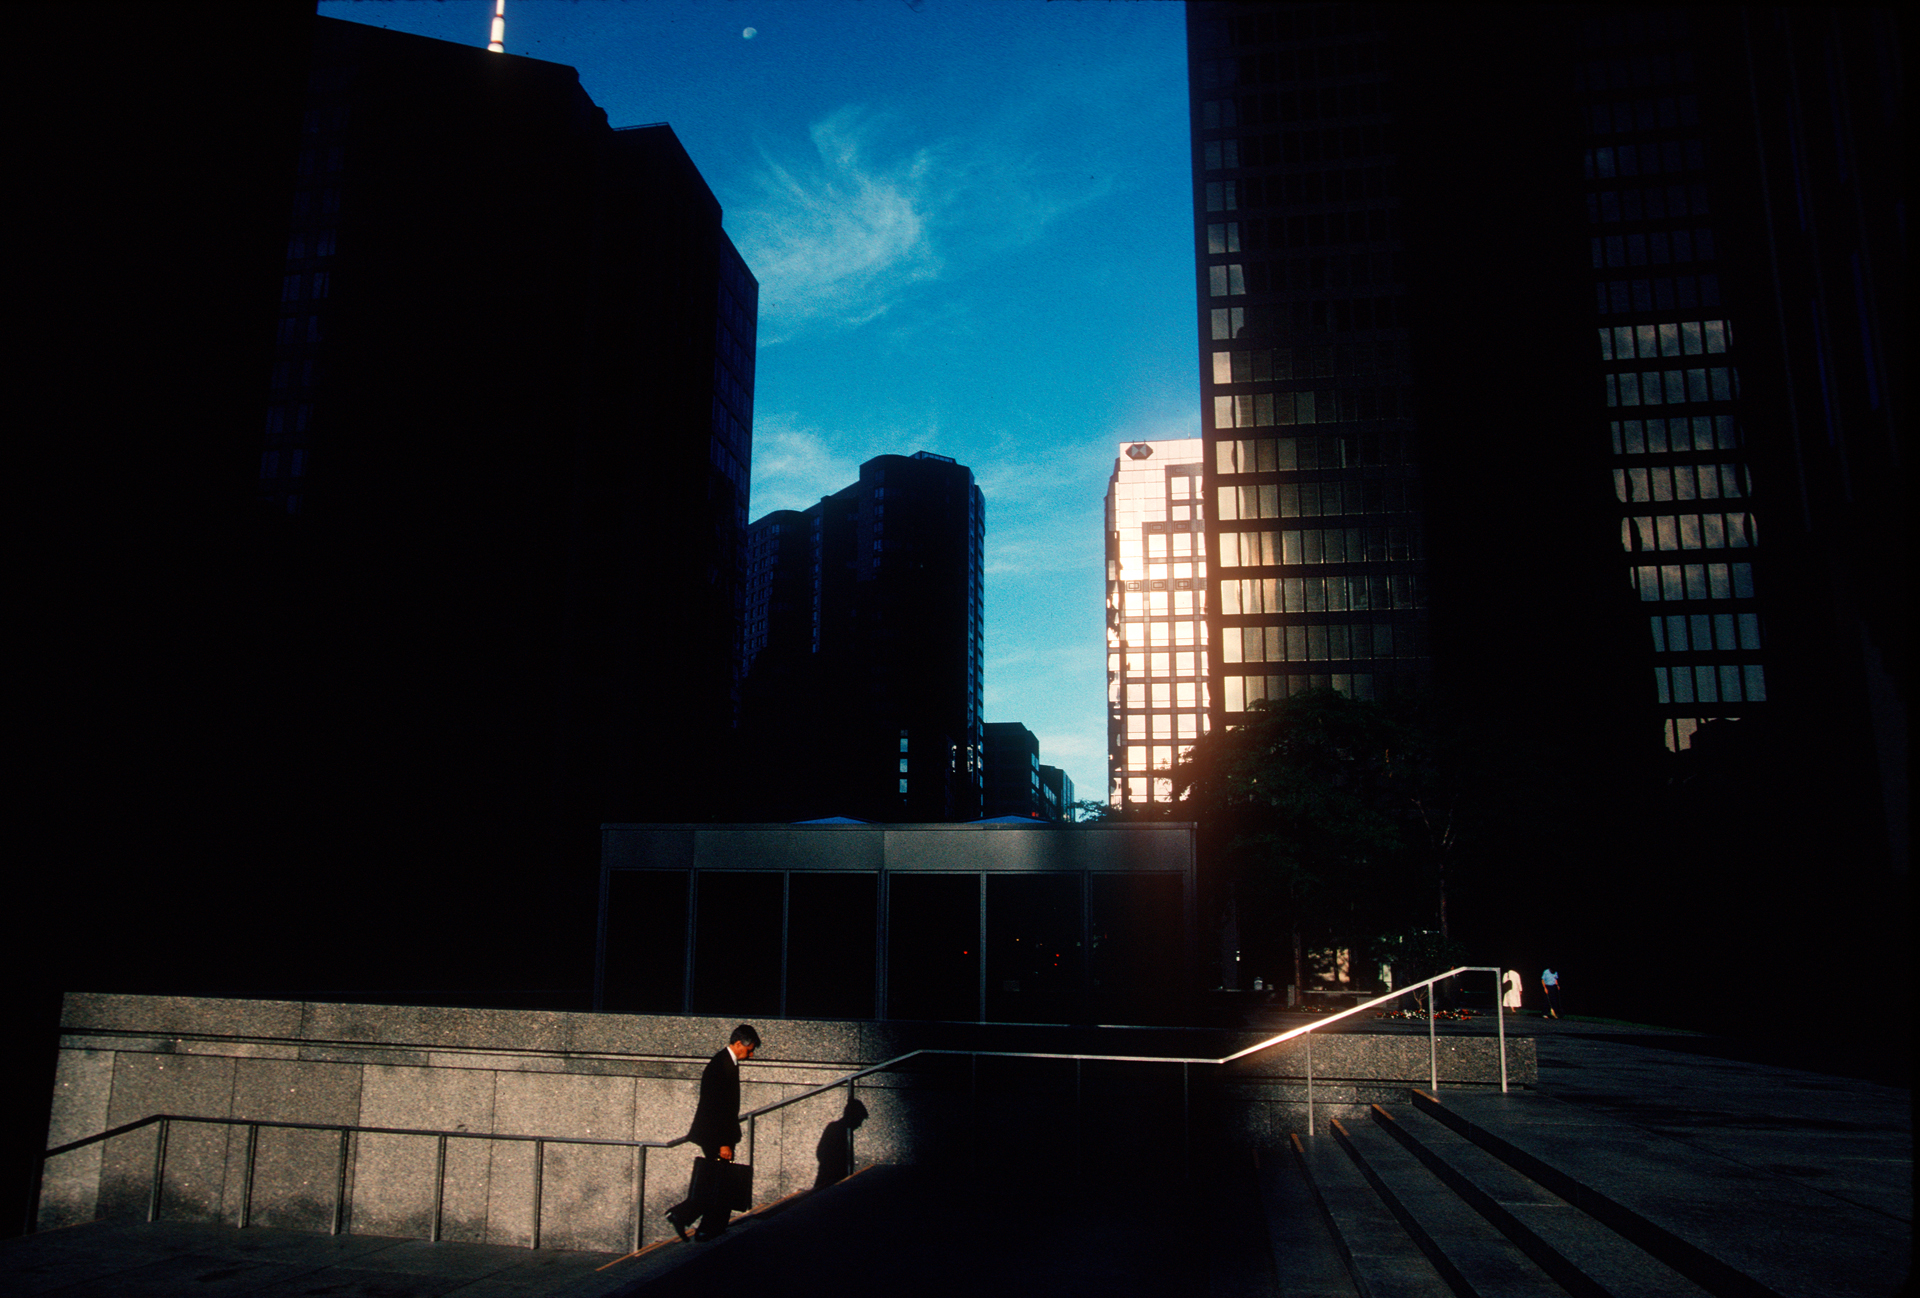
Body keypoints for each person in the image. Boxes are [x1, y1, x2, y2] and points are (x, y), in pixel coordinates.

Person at [666, 1024, 759, 1241]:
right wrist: (723, 1143)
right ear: (738, 1044)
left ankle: (694, 1220)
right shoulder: (721, 1065)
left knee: (716, 1180)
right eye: (749, 1049)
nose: (751, 1055)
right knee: (719, 1181)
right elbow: (716, 1108)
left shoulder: (725, 1062)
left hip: (715, 1133)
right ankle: (702, 1225)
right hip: (715, 1135)